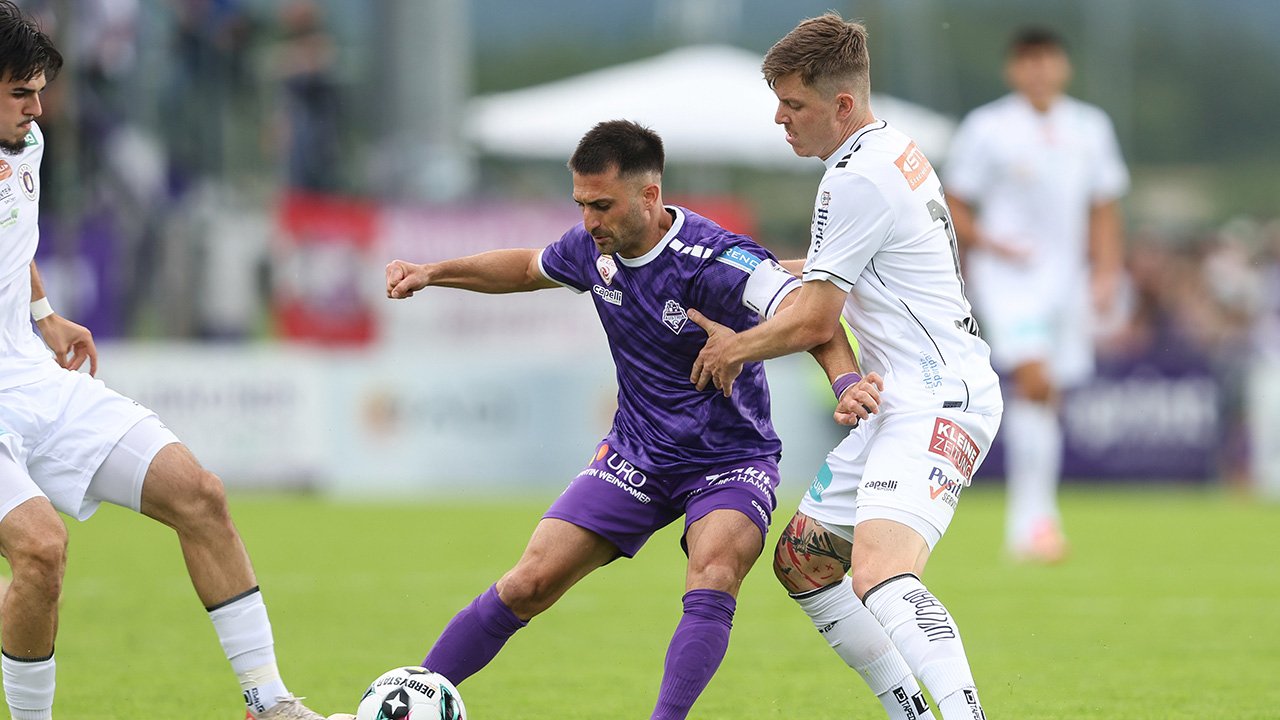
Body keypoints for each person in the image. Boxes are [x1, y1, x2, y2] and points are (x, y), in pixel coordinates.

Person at [380, 119, 866, 720]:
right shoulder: (593, 248)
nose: (589, 221)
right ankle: (404, 704)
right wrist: (433, 272)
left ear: (650, 195)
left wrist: (845, 382)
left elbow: (811, 316)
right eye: (582, 204)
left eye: (602, 205)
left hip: (729, 460)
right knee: (529, 582)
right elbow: (528, 268)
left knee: (713, 572)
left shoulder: (716, 258)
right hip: (635, 455)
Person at [0, 4, 328, 718]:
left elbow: (14, 237)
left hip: (29, 376)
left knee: (200, 495)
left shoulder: (27, 146)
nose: (39, 109)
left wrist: (44, 315)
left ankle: (269, 702)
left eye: (39, 90)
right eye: (20, 93)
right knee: (41, 551)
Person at [689, 14, 1003, 720]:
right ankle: (911, 712)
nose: (779, 119)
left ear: (841, 104)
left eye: (793, 104)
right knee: (804, 560)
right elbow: (832, 272)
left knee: (882, 572)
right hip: (910, 395)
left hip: (935, 400)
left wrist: (731, 347)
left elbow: (815, 318)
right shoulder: (887, 150)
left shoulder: (855, 177)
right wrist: (735, 273)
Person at [945, 27, 1129, 563]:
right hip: (1009, 281)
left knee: (1046, 396)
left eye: (1047, 60)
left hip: (1065, 281)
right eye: (1028, 62)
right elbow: (953, 203)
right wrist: (990, 243)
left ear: (1063, 67)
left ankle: (1036, 519)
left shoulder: (1091, 127)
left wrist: (1106, 272)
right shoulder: (988, 127)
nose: (1039, 71)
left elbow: (1104, 205)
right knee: (1033, 377)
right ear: (1013, 69)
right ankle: (1032, 526)